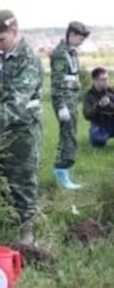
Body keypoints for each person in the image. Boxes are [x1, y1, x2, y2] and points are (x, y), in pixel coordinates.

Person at [0, 10, 43, 246]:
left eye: (1, 39)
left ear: (14, 31)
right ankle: (4, 221)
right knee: (0, 176)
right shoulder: (0, 56)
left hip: (23, 130)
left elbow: (17, 101)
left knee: (22, 178)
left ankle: (25, 231)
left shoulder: (28, 60)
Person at [50, 21, 90, 189]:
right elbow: (57, 82)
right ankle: (61, 172)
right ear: (71, 34)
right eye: (80, 38)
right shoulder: (61, 54)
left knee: (69, 134)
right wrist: (61, 106)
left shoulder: (71, 53)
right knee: (68, 137)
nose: (81, 42)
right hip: (65, 101)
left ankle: (62, 172)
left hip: (71, 99)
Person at [83, 67, 114, 146]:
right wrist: (99, 106)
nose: (106, 82)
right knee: (98, 141)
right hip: (99, 125)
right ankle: (101, 136)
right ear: (95, 80)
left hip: (112, 122)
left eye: (106, 79)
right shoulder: (89, 95)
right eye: (103, 79)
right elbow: (87, 115)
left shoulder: (111, 91)